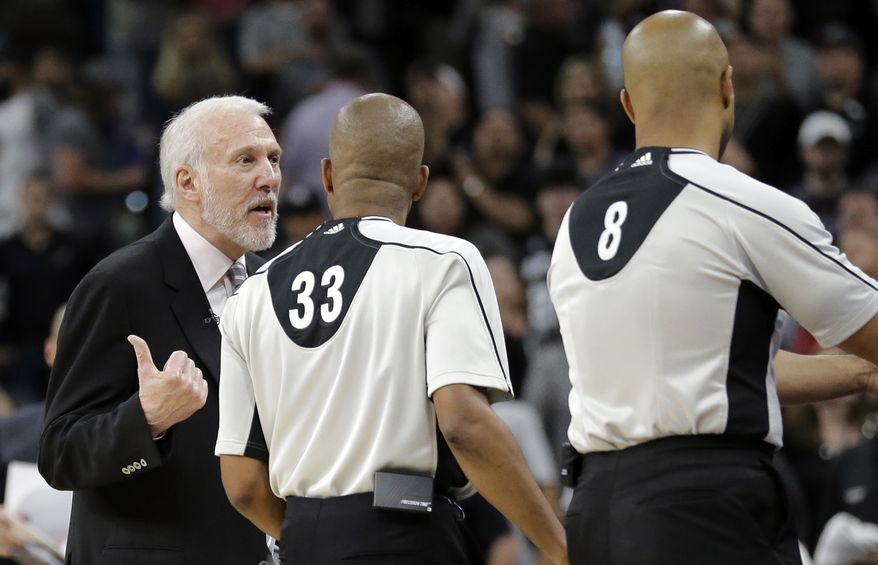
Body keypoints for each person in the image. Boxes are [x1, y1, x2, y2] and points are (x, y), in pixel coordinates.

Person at [547, 10, 878, 565]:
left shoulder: (574, 223)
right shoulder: (742, 201)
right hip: (706, 508)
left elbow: (711, 370)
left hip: (596, 513)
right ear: (728, 88)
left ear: (628, 105)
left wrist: (860, 374)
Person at [215, 93, 567, 565]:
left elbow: (241, 484)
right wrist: (559, 546)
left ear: (327, 176)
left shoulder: (250, 293)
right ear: (420, 182)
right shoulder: (444, 260)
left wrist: (318, 537)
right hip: (405, 532)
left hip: (302, 538)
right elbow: (464, 422)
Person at [38, 95, 281, 564]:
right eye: (245, 160)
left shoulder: (275, 284)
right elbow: (60, 453)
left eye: (273, 159)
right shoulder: (118, 284)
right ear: (187, 182)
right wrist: (147, 418)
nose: (268, 177)